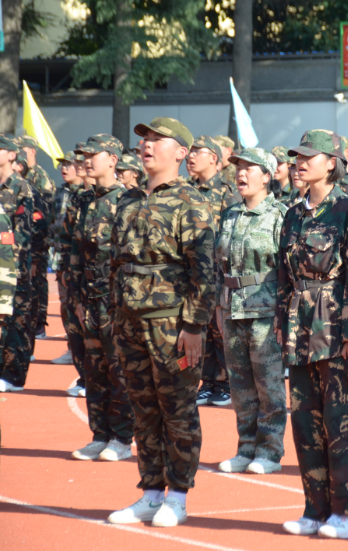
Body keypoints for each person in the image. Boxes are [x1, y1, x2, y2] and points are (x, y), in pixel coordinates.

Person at [106, 117, 214, 528]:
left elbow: (204, 271)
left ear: (182, 152)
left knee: (178, 409)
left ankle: (178, 495)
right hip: (129, 320)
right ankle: (151, 492)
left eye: (157, 140)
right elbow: (117, 262)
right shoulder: (128, 199)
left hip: (172, 324)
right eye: (144, 140)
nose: (147, 146)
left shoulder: (191, 200)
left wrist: (194, 326)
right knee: (143, 409)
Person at [277, 129, 348, 539]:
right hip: (299, 331)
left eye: (308, 156)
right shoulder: (294, 213)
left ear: (331, 162)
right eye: (296, 157)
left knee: (341, 422)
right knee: (304, 423)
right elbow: (283, 277)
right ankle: (315, 509)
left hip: (336, 330)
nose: (299, 163)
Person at [214, 147, 288, 475]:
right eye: (238, 167)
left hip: (266, 310)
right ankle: (245, 448)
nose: (241, 174)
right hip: (232, 309)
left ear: (267, 176)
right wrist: (219, 305)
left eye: (249, 168)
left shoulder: (280, 215)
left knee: (268, 386)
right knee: (240, 385)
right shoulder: (230, 215)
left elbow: (288, 269)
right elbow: (221, 266)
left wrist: (285, 316)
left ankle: (269, 452)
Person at [69, 135, 136, 462]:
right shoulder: (81, 200)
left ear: (112, 159)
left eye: (91, 154)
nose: (84, 160)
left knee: (119, 369)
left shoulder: (128, 200)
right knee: (92, 368)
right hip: (88, 300)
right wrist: (77, 300)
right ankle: (99, 434)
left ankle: (121, 438)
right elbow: (75, 252)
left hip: (117, 302)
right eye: (82, 154)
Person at [188, 136, 236, 408]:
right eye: (190, 151)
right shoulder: (187, 191)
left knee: (220, 331)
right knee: (200, 329)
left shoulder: (226, 193)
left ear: (215, 159)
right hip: (193, 274)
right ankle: (207, 381)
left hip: (217, 273)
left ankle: (225, 382)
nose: (191, 156)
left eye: (198, 151)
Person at [0, 135, 35, 393]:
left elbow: (24, 232)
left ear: (12, 155)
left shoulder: (21, 187)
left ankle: (14, 376)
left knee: (17, 321)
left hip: (16, 266)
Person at [14, 136, 53, 341]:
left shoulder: (38, 182)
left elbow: (40, 219)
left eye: (23, 149)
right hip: (14, 250)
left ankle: (37, 324)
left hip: (33, 248)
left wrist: (36, 252)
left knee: (34, 287)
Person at [50, 152, 84, 373]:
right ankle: (72, 347)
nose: (65, 169)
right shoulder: (61, 192)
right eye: (62, 165)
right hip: (63, 254)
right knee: (66, 304)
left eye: (69, 165)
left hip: (83, 261)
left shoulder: (84, 194)